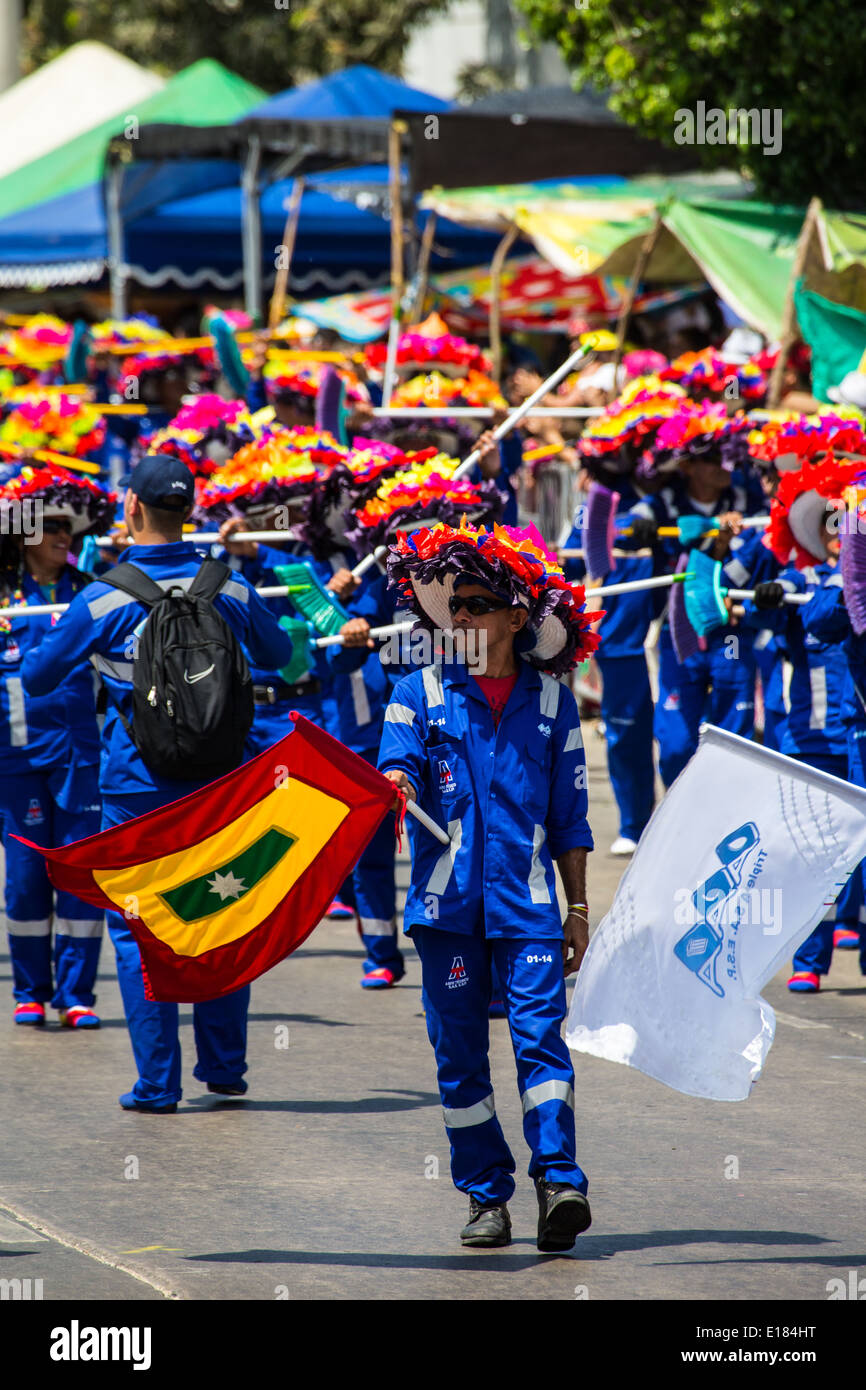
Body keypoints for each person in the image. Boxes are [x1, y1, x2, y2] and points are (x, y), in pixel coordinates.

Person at [21, 455, 294, 1112]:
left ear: (132, 509)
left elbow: (35, 678)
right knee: (220, 913)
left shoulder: (101, 596)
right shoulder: (228, 587)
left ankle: (157, 1083)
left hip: (134, 786)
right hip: (221, 786)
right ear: (189, 511)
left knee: (141, 926)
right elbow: (281, 656)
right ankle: (225, 1067)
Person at [378, 520, 601, 1252]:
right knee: (460, 1056)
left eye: (478, 603)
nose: (463, 617)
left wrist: (575, 908)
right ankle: (486, 1198)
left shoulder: (552, 702)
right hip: (446, 915)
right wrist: (396, 781)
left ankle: (560, 1182)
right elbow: (398, 767)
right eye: (455, 606)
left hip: (531, 911)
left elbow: (571, 819)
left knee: (542, 1046)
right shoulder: (417, 692)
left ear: (516, 616)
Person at [0, 467, 113, 1027]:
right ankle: (30, 990)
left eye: (69, 527)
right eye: (49, 527)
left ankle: (77, 995)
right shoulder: (3, 596)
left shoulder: (94, 591)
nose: (63, 536)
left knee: (80, 879)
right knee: (23, 883)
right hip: (16, 763)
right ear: (21, 535)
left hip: (81, 761)